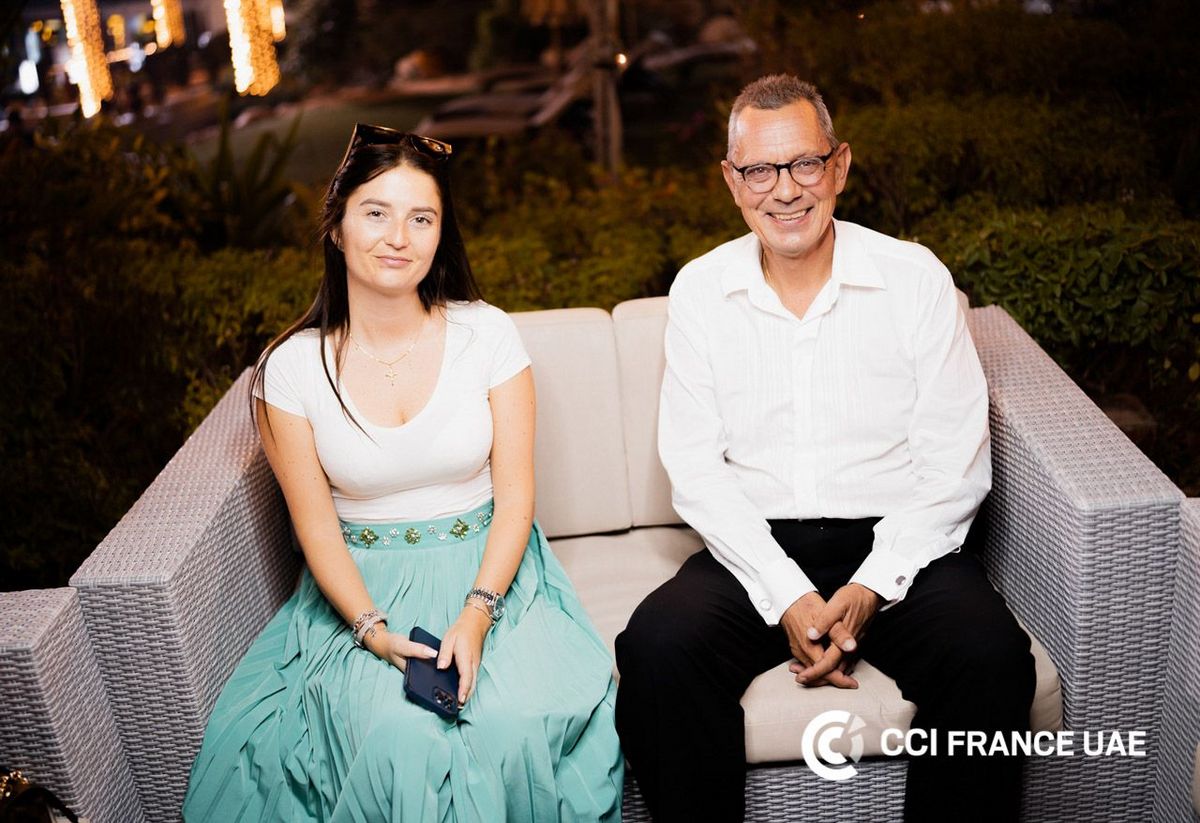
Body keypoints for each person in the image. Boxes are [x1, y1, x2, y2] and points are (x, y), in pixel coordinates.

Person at [614, 75, 1036, 821]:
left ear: (839, 165)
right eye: (759, 170)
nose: (785, 190)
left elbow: (954, 465)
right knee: (656, 647)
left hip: (899, 543)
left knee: (990, 655)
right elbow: (697, 472)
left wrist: (871, 585)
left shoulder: (914, 278)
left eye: (805, 163)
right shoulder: (701, 291)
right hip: (755, 545)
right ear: (732, 181)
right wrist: (788, 595)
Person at [183, 124, 623, 822]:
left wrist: (477, 613)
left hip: (492, 574)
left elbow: (516, 498)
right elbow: (316, 529)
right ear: (336, 227)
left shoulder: (487, 333)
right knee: (397, 737)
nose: (398, 237)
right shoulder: (291, 370)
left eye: (421, 218)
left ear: (441, 234)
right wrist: (372, 630)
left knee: (508, 725)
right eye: (376, 213)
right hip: (364, 590)